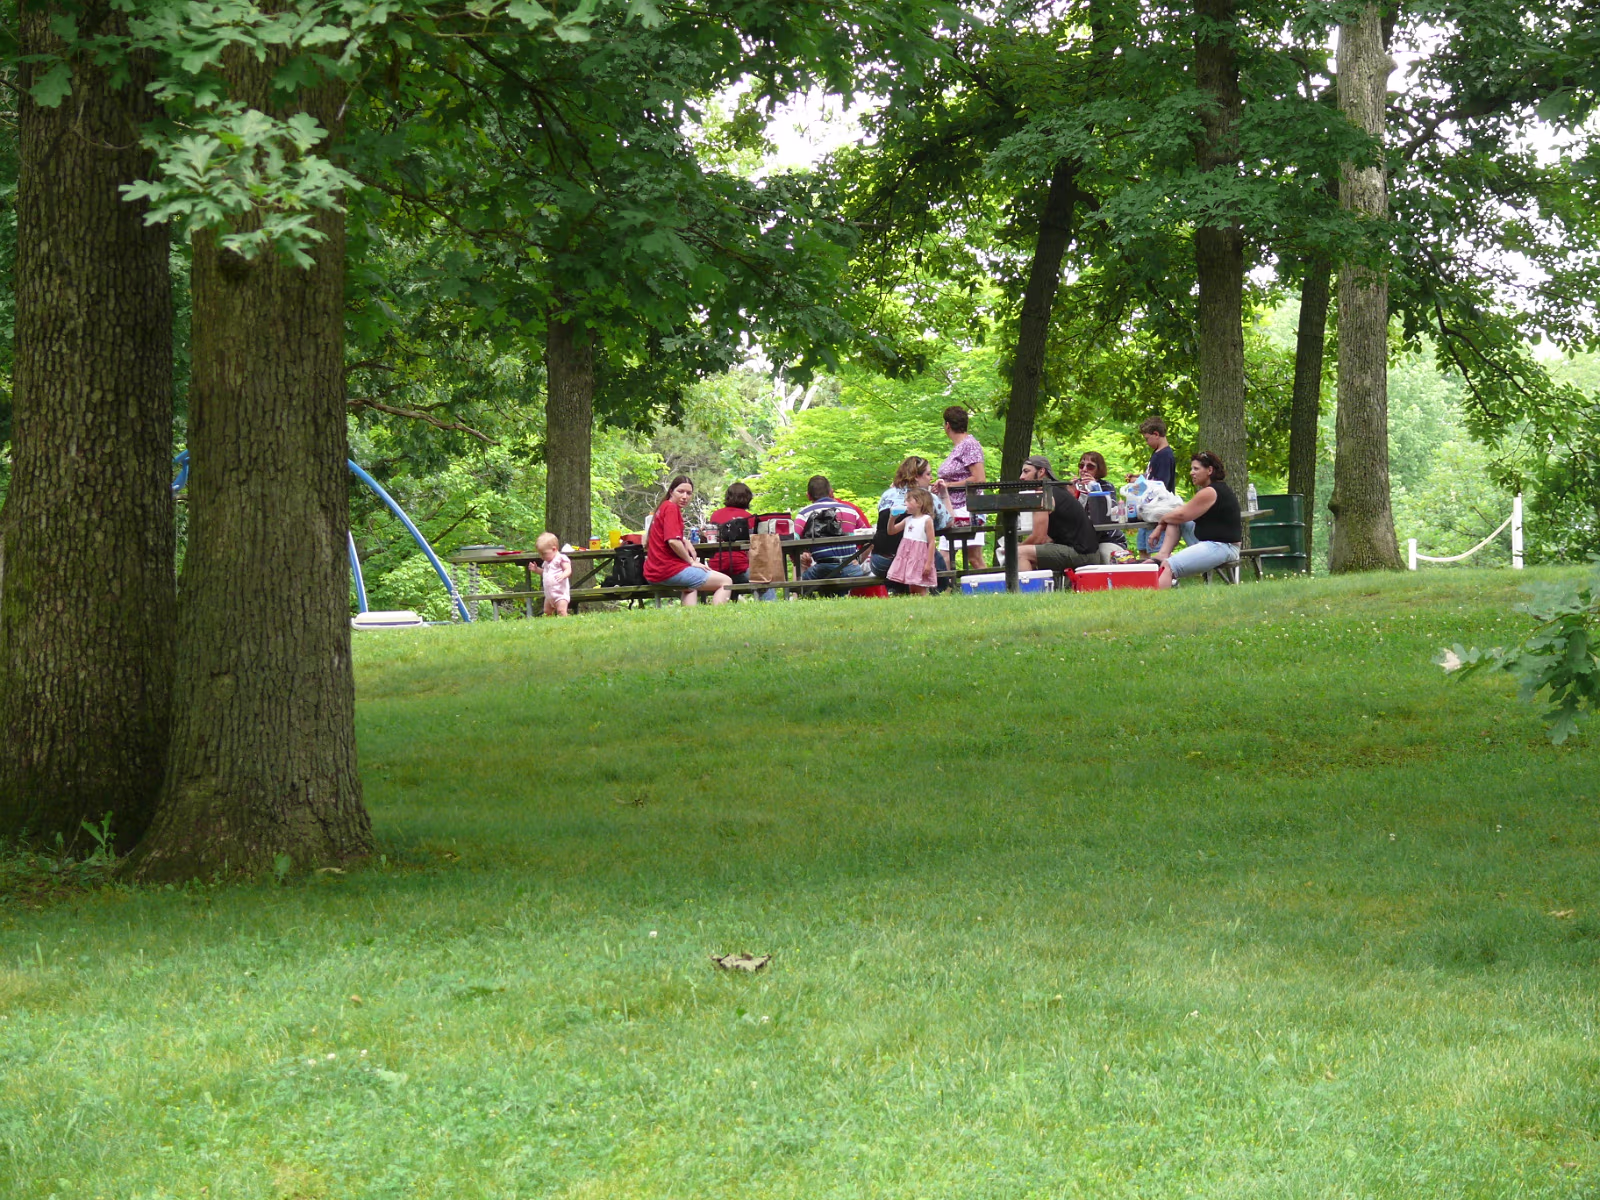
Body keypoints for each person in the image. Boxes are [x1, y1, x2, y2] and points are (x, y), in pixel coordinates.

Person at [1151, 451, 1242, 589]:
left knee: (1168, 566)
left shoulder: (1210, 492)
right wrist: (1165, 521)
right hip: (1210, 541)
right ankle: (1163, 554)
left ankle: (1155, 597)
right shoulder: (1212, 489)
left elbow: (1182, 515)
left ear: (1209, 470)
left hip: (1223, 547)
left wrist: (1161, 522)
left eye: (1196, 469)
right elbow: (1179, 515)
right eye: (1191, 469)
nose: (1191, 473)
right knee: (1175, 520)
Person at [643, 476, 732, 605]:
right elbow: (673, 541)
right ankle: (717, 614)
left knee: (690, 587)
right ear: (671, 491)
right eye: (680, 491)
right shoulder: (671, 508)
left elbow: (668, 535)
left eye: (689, 493)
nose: (685, 497)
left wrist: (685, 540)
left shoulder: (663, 507)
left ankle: (689, 615)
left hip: (653, 571)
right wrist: (691, 561)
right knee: (726, 581)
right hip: (668, 570)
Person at [873, 456, 952, 590]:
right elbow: (948, 522)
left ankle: (898, 590)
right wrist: (944, 495)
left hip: (881, 561)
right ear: (916, 477)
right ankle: (940, 589)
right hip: (913, 561)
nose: (931, 478)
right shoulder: (928, 498)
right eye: (928, 474)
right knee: (929, 553)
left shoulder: (887, 494)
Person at [1014, 455, 1102, 574]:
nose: (1021, 477)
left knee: (1018, 554)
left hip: (1082, 554)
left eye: (1026, 471)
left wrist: (1015, 548)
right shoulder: (1058, 490)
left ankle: (1028, 586)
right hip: (1088, 552)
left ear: (1041, 472)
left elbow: (1039, 538)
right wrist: (1023, 545)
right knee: (1029, 553)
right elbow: (1047, 539)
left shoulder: (1045, 495)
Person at [935, 405, 987, 570]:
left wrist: (948, 485)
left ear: (947, 425)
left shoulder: (969, 444)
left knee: (973, 558)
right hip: (952, 508)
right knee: (945, 557)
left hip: (967, 507)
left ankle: (994, 584)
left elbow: (979, 479)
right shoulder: (959, 447)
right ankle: (945, 587)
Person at [797, 475, 871, 585]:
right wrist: (859, 560)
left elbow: (794, 539)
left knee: (805, 576)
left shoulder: (804, 513)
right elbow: (869, 537)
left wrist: (802, 556)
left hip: (822, 570)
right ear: (831, 492)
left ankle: (801, 594)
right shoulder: (850, 510)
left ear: (808, 496)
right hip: (851, 570)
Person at [1076, 450, 1128, 558]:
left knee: (1104, 554)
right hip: (1081, 539)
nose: (1084, 469)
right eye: (1081, 465)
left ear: (1099, 469)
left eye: (1090, 466)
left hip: (1107, 538)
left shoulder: (1106, 486)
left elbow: (1109, 512)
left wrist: (1095, 488)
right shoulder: (1074, 486)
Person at [887, 486, 939, 594]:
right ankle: (914, 601)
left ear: (919, 503)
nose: (905, 503)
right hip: (908, 556)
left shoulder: (926, 520)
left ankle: (923, 600)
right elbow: (891, 531)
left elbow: (931, 542)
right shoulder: (907, 519)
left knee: (919, 584)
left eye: (908, 500)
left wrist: (929, 563)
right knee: (911, 584)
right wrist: (892, 519)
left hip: (919, 556)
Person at [707, 482, 756, 586]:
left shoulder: (715, 515)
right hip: (740, 567)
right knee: (764, 580)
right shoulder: (749, 517)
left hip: (716, 567)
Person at [535, 532, 572, 616]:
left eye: (544, 553)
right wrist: (536, 570)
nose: (541, 557)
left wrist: (563, 575)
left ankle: (565, 620)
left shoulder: (561, 558)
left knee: (561, 610)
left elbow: (568, 569)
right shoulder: (546, 562)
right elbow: (544, 573)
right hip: (549, 595)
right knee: (547, 611)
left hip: (560, 593)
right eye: (540, 554)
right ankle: (550, 623)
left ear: (554, 549)